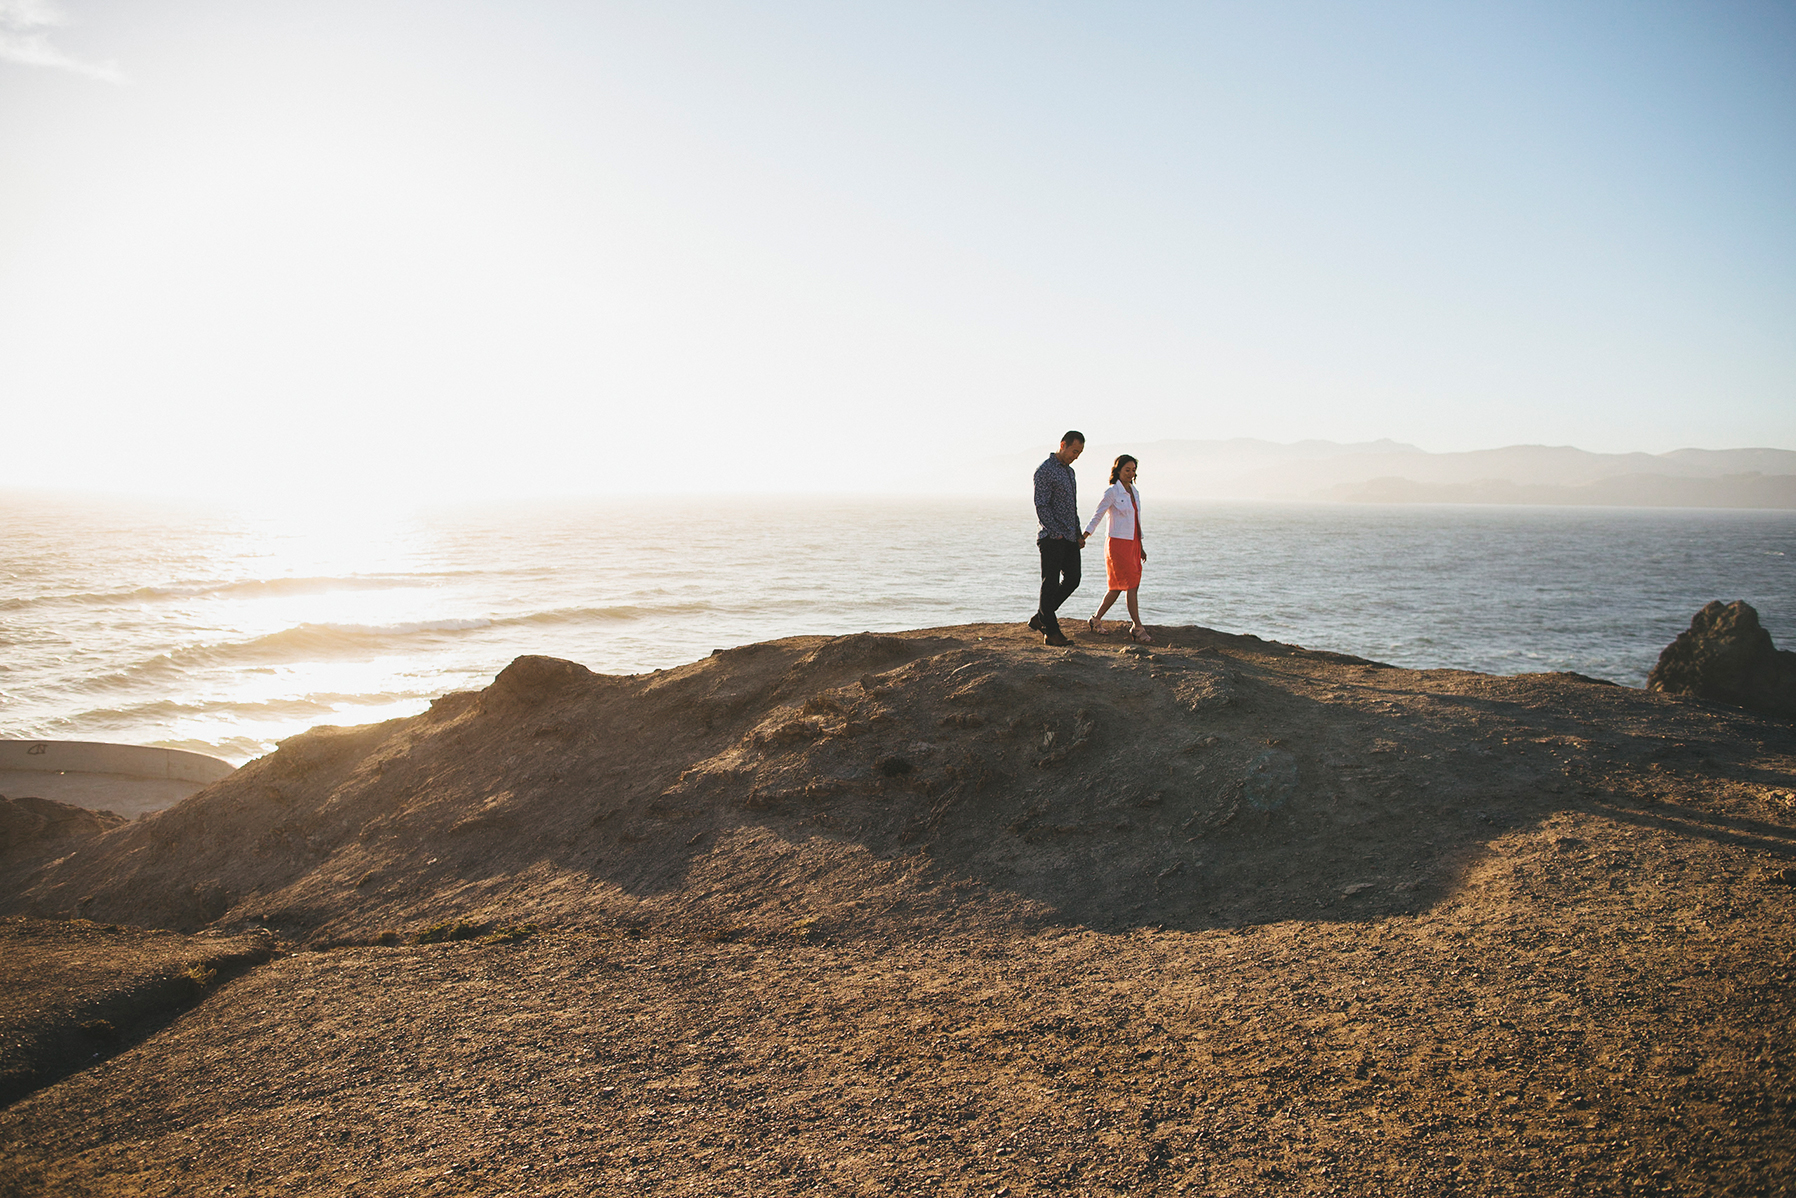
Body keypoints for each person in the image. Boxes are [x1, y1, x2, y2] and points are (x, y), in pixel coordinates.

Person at [1084, 453, 1151, 643]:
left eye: (1133, 470)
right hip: (1118, 544)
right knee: (1130, 585)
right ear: (1118, 470)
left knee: (1118, 587)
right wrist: (1085, 535)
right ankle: (1137, 627)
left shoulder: (1134, 492)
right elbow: (1098, 515)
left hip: (1133, 543)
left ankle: (1095, 619)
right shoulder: (1112, 491)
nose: (1130, 473)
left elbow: (1136, 521)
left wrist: (1140, 545)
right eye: (1127, 470)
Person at [1030, 431, 1089, 646]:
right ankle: (1052, 632)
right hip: (1051, 537)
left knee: (1073, 579)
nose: (1076, 456)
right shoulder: (1045, 470)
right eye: (1074, 451)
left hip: (1070, 536)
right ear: (1063, 445)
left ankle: (1041, 617)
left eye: (1079, 453)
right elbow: (1041, 505)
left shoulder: (1070, 472)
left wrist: (1077, 533)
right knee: (1050, 583)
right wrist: (1056, 533)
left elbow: (1072, 507)